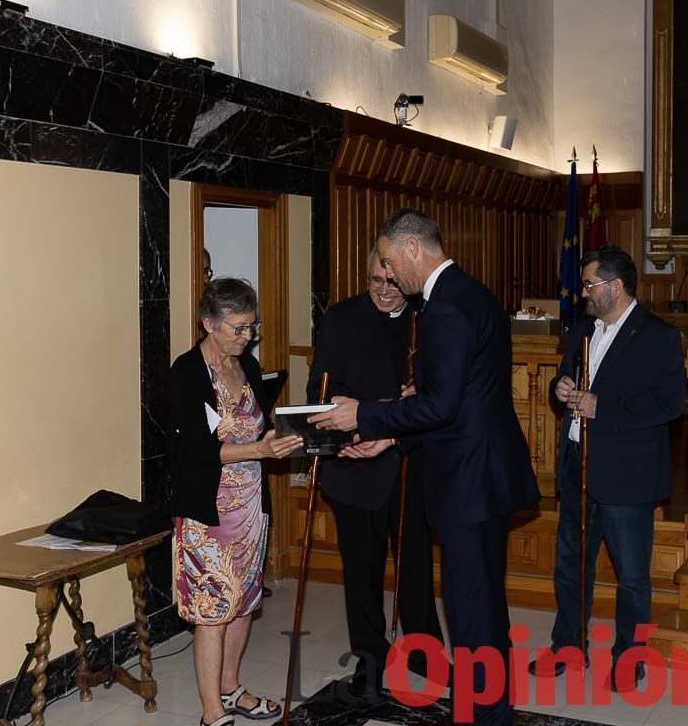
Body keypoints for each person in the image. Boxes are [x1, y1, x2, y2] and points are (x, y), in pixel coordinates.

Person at [309, 208, 541, 726]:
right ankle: (489, 710)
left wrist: (363, 415)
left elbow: (441, 407)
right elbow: (453, 395)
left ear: (413, 248)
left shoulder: (442, 308)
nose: (390, 275)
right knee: (484, 608)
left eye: (390, 262)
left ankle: (485, 716)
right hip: (483, 475)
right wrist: (392, 431)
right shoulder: (471, 291)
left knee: (472, 612)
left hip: (467, 481)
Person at [534, 245, 684, 692]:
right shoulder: (583, 330)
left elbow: (670, 404)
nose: (583, 293)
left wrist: (605, 408)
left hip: (626, 473)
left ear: (615, 287)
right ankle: (568, 647)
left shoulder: (658, 336)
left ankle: (627, 658)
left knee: (631, 576)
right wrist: (560, 391)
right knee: (570, 567)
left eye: (589, 284)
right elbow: (564, 389)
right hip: (577, 467)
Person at [306, 249, 445, 700]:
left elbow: (442, 394)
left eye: (392, 282)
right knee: (361, 574)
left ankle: (426, 653)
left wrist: (414, 398)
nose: (384, 291)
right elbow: (320, 392)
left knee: (416, 571)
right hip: (353, 462)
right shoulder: (342, 318)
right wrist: (352, 432)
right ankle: (369, 657)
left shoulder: (430, 319)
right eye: (374, 281)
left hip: (409, 464)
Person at [168, 278, 303, 726]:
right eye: (239, 328)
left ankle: (230, 688)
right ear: (209, 323)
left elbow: (257, 423)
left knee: (243, 603)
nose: (248, 337)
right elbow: (197, 451)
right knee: (212, 611)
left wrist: (281, 439)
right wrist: (259, 451)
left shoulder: (248, 363)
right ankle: (212, 714)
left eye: (252, 327)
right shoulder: (187, 372)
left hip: (250, 508)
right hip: (208, 511)